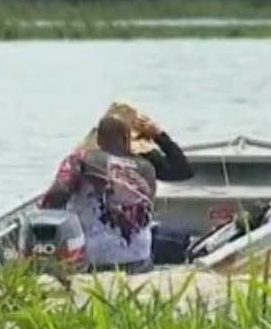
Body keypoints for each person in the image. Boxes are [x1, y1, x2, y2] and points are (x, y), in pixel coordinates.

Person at [39, 113, 193, 273]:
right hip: (138, 259)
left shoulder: (80, 159)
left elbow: (58, 192)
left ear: (98, 140)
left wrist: (44, 218)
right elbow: (183, 169)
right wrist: (159, 136)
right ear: (128, 140)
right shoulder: (147, 166)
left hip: (93, 260)